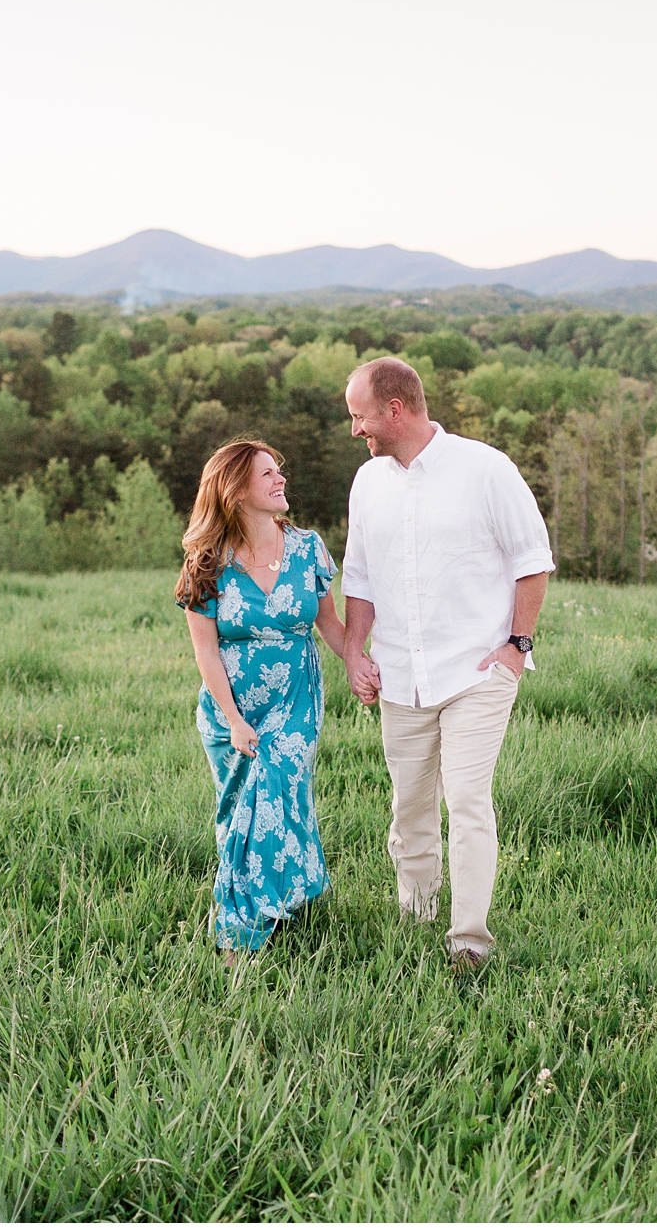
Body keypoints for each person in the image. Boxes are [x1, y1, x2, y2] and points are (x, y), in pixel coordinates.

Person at [339, 357, 554, 972]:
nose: (357, 431)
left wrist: (518, 646)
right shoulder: (369, 482)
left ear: (395, 410)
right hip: (400, 676)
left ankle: (469, 942)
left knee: (466, 800)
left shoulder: (486, 469)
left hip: (476, 672)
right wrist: (356, 651)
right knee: (409, 810)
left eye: (361, 418)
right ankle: (416, 917)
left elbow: (532, 561)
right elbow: (359, 578)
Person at [177, 439, 345, 961]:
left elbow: (330, 625)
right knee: (240, 813)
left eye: (280, 472)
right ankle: (289, 893)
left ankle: (239, 936)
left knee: (271, 796)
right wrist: (232, 720)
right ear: (236, 490)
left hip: (296, 701)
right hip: (232, 712)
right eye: (267, 475)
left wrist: (361, 664)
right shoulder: (206, 561)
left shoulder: (307, 548)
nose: (281, 481)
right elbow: (205, 652)